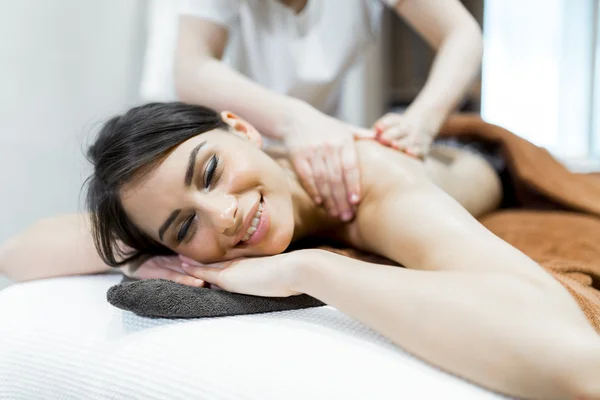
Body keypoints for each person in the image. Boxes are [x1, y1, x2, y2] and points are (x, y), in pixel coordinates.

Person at [3, 102, 597, 399]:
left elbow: (577, 360)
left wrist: (314, 268)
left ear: (242, 128)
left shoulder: (371, 187)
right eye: (184, 228)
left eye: (210, 170)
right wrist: (135, 256)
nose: (224, 214)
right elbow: (16, 254)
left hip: (467, 158)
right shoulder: (171, 212)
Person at [142, 0, 483, 221]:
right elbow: (192, 70)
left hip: (314, 138)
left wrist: (421, 121)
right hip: (204, 140)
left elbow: (462, 33)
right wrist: (295, 121)